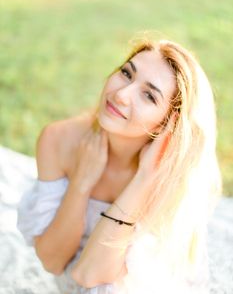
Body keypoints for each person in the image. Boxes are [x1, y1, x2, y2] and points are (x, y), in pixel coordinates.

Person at [17, 37, 222, 294]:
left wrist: (143, 178)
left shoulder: (172, 181)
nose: (121, 95)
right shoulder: (60, 139)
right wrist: (81, 183)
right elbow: (52, 260)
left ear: (166, 124)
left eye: (148, 95)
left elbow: (90, 274)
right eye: (126, 73)